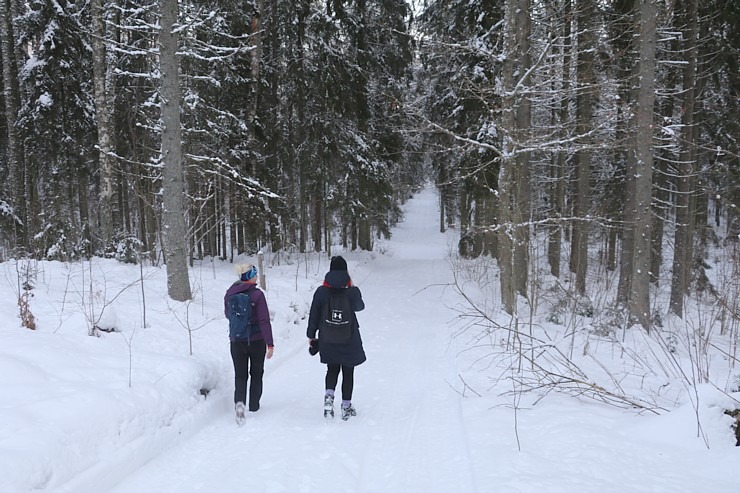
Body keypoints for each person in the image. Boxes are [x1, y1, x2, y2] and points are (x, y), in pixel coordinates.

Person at [307, 255, 365, 420]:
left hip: (327, 338)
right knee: (348, 372)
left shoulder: (321, 292)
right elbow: (360, 307)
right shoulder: (351, 291)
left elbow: (314, 315)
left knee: (332, 369)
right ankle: (346, 407)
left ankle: (329, 398)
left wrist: (311, 335)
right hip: (350, 339)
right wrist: (352, 287)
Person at [224, 263, 274, 425]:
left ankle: (239, 404)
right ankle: (254, 405)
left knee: (240, 375)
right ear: (250, 276)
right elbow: (264, 320)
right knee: (256, 373)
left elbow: (228, 315)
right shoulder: (257, 295)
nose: (257, 277)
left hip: (236, 340)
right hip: (256, 340)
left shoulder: (230, 293)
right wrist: (270, 343)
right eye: (255, 275)